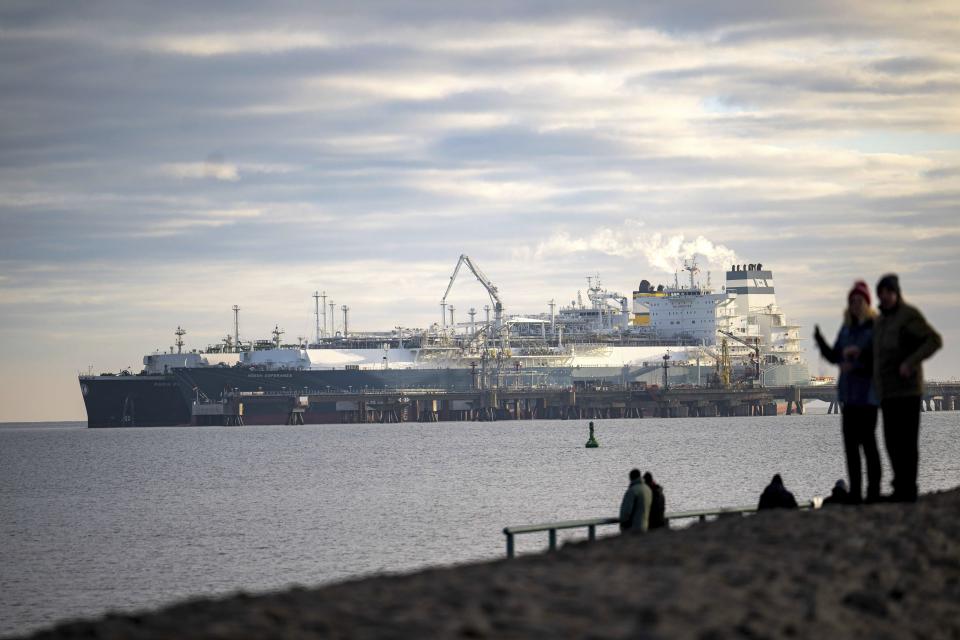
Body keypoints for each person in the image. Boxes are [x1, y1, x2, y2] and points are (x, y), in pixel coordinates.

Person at [873, 274, 942, 502]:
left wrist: (910, 363)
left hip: (908, 390)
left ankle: (908, 488)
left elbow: (934, 340)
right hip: (888, 392)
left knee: (907, 442)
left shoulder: (908, 316)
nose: (885, 297)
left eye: (888, 292)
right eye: (881, 293)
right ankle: (899, 485)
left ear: (896, 293)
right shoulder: (881, 322)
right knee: (891, 441)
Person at [814, 280, 881, 503]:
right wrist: (821, 342)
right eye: (852, 301)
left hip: (868, 396)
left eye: (859, 300)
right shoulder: (846, 329)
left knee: (868, 446)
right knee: (851, 448)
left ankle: (872, 493)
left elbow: (878, 357)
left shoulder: (874, 327)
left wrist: (858, 358)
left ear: (867, 303)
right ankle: (855, 494)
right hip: (848, 397)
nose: (855, 304)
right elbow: (836, 356)